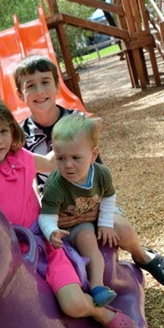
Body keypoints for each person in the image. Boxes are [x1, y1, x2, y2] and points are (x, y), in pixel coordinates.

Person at [0, 92, 139, 328]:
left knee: (73, 303)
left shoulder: (20, 158)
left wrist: (83, 131)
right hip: (10, 256)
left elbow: (53, 164)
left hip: (45, 243)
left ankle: (101, 312)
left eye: (4, 131)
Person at [13, 54, 164, 289]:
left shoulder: (78, 121)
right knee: (76, 245)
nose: (39, 91)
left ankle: (142, 255)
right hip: (59, 208)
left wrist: (99, 215)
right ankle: (94, 288)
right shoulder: (21, 137)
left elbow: (97, 169)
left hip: (92, 197)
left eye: (45, 81)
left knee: (120, 229)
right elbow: (27, 179)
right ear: (21, 95)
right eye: (30, 86)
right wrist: (49, 214)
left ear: (57, 85)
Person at [39, 113, 119, 307]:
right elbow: (46, 217)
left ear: (93, 155)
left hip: (84, 220)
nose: (68, 165)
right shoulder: (56, 186)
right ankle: (89, 287)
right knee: (80, 245)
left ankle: (99, 286)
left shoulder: (101, 174)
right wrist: (52, 231)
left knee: (101, 239)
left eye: (76, 157)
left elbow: (109, 196)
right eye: (60, 158)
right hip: (67, 228)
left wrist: (106, 223)